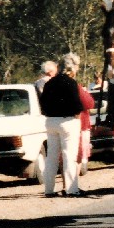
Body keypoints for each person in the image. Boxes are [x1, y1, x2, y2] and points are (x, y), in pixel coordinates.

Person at [40, 52, 92, 198]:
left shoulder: (49, 83)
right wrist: (76, 113)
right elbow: (78, 104)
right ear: (72, 68)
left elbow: (42, 103)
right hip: (68, 121)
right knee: (69, 156)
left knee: (51, 157)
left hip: (50, 121)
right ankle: (71, 189)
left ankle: (48, 189)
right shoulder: (72, 83)